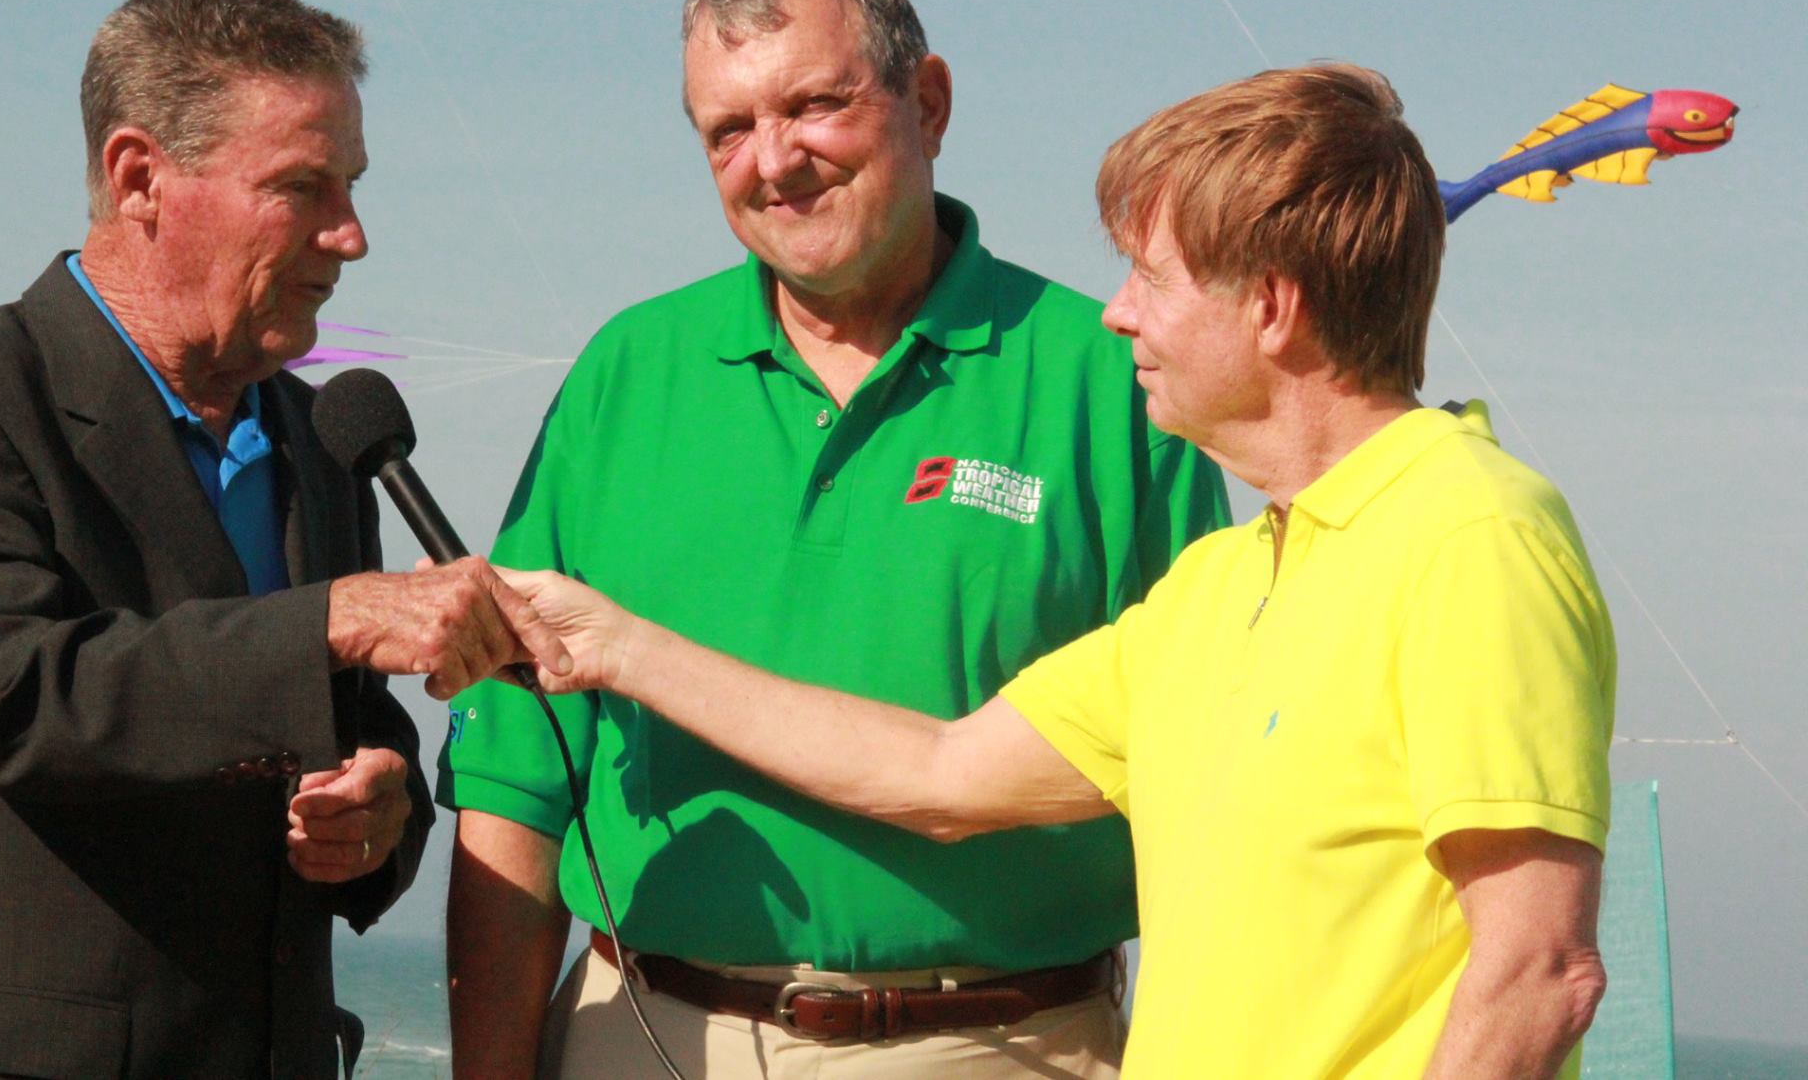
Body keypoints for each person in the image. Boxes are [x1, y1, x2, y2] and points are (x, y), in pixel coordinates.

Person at [504, 64, 1618, 1079]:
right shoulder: (1223, 583)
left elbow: (1538, 974)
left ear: (1272, 308)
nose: (1118, 314)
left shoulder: (1471, 532)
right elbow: (936, 770)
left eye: (1152, 278)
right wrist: (616, 647)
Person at [439, 0, 1228, 1078]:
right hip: (645, 1031)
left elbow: (1207, 783)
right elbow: (514, 777)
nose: (773, 160)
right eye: (727, 130)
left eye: (814, 105)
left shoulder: (1107, 381)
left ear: (929, 103)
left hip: (1002, 1046)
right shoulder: (625, 374)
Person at [0, 0, 568, 1079]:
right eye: (301, 186)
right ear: (139, 179)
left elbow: (353, 725)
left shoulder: (325, 443)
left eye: (351, 185)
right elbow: (11, 699)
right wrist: (331, 621)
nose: (350, 235)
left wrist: (380, 812)